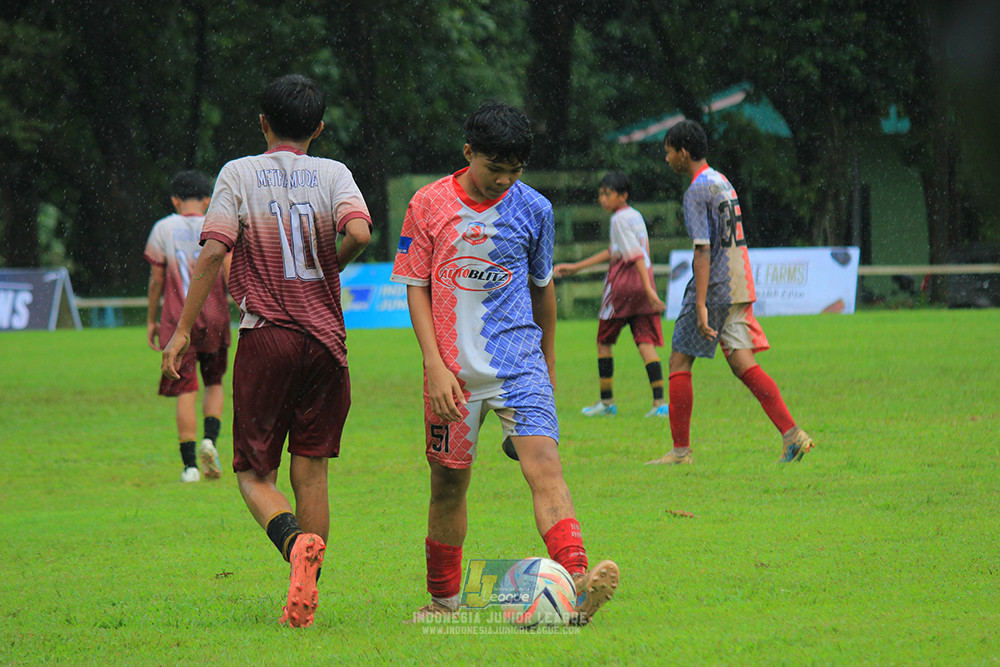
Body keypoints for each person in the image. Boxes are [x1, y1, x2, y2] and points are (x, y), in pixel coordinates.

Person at [391, 101, 619, 626]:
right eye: (495, 168)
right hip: (452, 375)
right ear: (468, 152)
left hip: (520, 365)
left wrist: (548, 365)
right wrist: (435, 367)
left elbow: (544, 293)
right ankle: (444, 602)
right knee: (448, 485)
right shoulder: (428, 204)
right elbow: (417, 290)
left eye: (515, 171)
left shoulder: (534, 209)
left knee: (546, 467)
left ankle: (578, 583)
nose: (504, 181)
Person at [161, 74, 372, 627]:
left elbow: (212, 253)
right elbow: (360, 231)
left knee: (255, 474)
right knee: (314, 471)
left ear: (262, 123)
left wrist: (182, 331)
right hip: (327, 343)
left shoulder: (238, 173)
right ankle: (307, 588)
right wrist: (331, 263)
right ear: (319, 129)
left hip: (267, 337)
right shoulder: (335, 173)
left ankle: (293, 545)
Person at [646, 120, 814, 465]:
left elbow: (703, 250)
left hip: (716, 284)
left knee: (679, 360)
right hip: (740, 279)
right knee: (742, 362)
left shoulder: (696, 190)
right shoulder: (721, 180)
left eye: (668, 152)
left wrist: (701, 302)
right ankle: (792, 434)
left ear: (684, 152)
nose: (666, 159)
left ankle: (680, 453)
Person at [554, 171, 668, 418]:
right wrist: (576, 267)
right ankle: (659, 403)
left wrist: (648, 291)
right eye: (601, 194)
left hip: (622, 289)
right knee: (646, 344)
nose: (602, 199)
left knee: (603, 343)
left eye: (607, 194)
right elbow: (616, 251)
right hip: (642, 285)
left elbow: (633, 255)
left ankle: (607, 404)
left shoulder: (618, 220)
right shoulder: (635, 216)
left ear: (622, 195)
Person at [145, 170, 231, 483]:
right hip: (216, 317)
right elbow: (230, 273)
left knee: (185, 388)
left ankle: (190, 467)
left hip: (176, 320)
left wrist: (152, 318)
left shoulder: (163, 229)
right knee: (215, 382)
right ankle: (211, 439)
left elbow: (156, 279)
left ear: (175, 199)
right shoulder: (218, 225)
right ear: (208, 200)